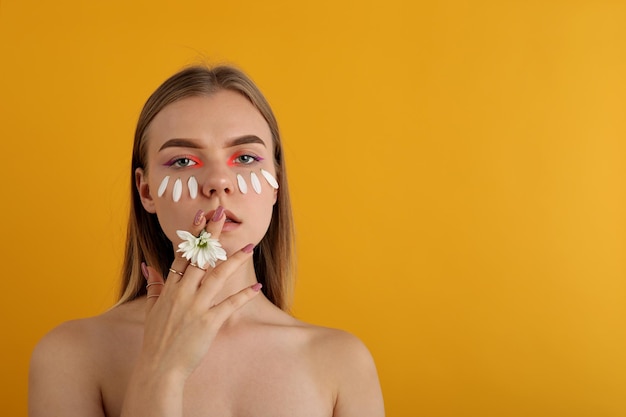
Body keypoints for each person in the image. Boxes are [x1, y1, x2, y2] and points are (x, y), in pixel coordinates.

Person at [28, 64, 385, 416]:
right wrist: (160, 370)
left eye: (245, 157)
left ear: (276, 183)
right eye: (183, 161)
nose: (218, 182)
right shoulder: (71, 355)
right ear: (146, 190)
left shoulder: (342, 362)